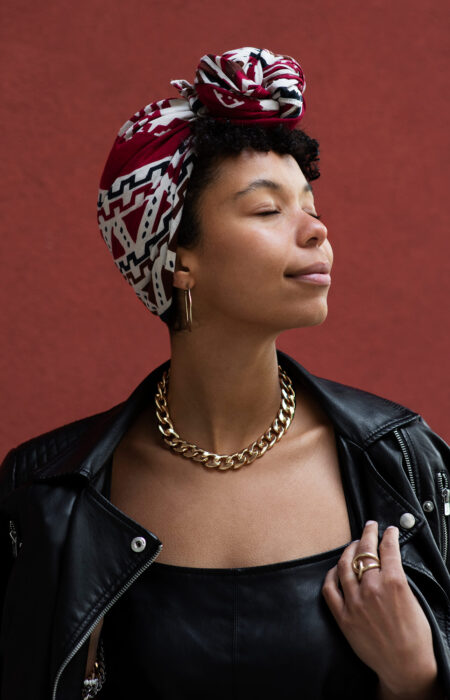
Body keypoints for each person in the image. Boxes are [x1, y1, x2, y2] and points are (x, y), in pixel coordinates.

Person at [0, 47, 449, 700]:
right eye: (268, 210)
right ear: (179, 259)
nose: (317, 231)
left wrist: (418, 677)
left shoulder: (402, 460)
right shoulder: (51, 493)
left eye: (311, 205)